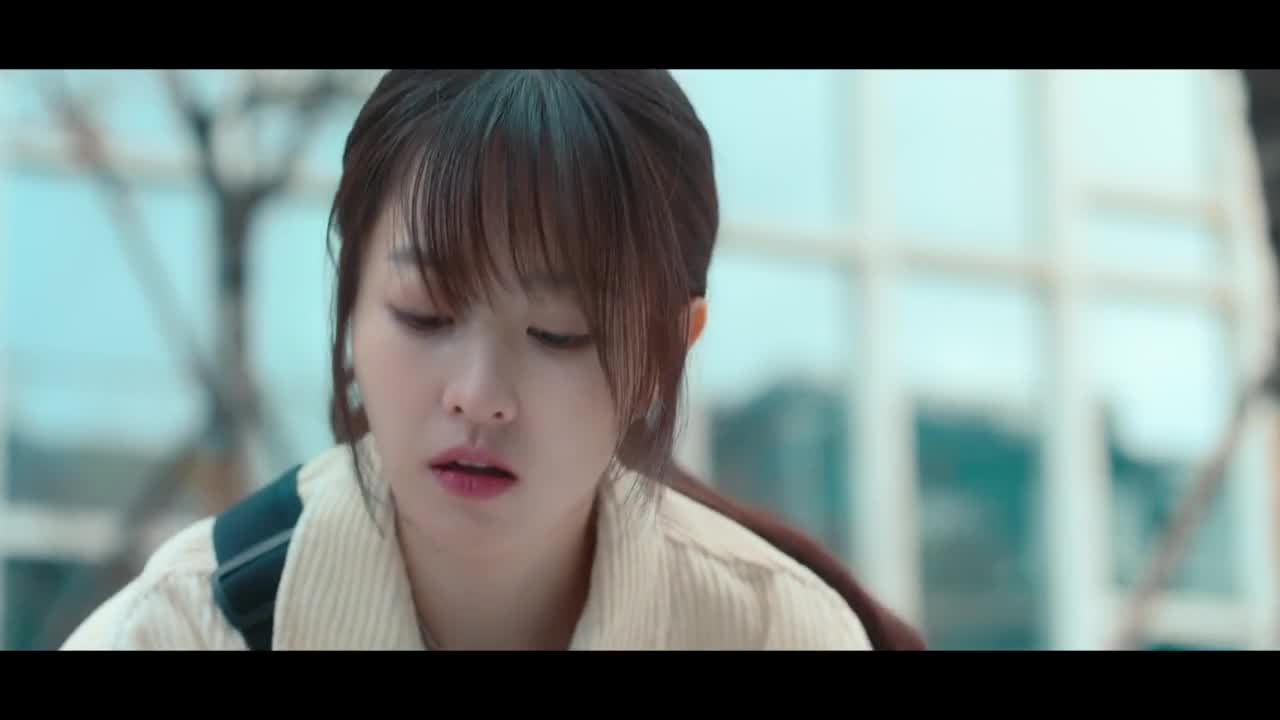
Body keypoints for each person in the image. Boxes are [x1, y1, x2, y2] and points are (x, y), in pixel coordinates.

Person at [61, 69, 921, 651]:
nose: (478, 396)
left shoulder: (775, 633)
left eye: (559, 334)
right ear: (351, 306)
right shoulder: (178, 632)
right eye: (424, 314)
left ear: (667, 351)